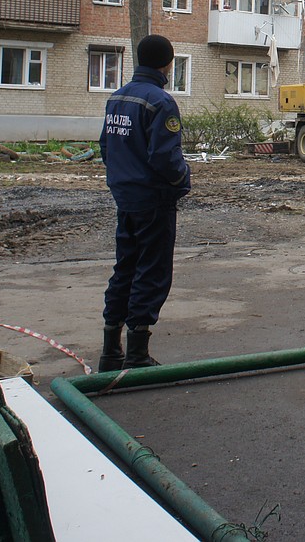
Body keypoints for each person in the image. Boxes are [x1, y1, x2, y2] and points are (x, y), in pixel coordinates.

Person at [97, 34, 191, 371]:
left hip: (125, 197)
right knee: (151, 271)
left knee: (125, 267)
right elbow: (166, 158)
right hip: (154, 200)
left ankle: (110, 350)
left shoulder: (117, 97)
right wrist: (183, 181)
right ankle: (136, 351)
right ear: (166, 64)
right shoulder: (160, 102)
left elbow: (106, 147)